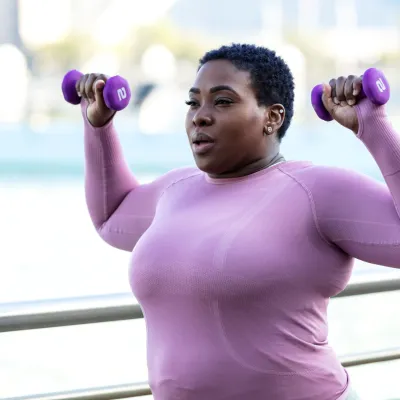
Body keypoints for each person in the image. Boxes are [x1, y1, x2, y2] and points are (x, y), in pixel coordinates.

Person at [74, 43, 400, 400]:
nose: (200, 116)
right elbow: (111, 217)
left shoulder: (318, 190)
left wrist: (373, 125)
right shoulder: (175, 189)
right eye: (193, 102)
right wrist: (98, 125)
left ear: (272, 117)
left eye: (223, 101)